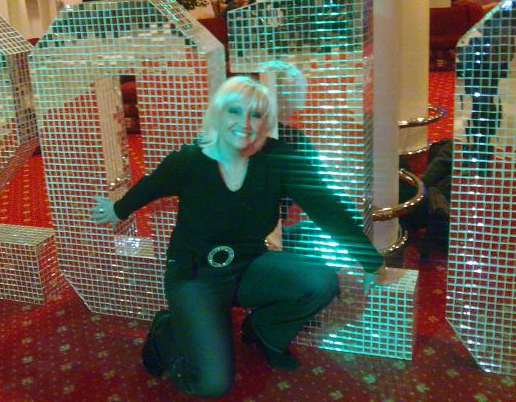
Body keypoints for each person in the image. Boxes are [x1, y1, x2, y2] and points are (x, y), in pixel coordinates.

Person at [90, 74, 387, 398]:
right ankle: (166, 331)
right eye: (235, 111)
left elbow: (326, 207)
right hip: (195, 276)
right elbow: (152, 184)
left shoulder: (279, 159)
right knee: (211, 385)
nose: (244, 123)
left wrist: (369, 259)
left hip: (248, 265)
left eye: (255, 114)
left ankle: (265, 330)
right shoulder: (191, 159)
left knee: (320, 282)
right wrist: (117, 209)